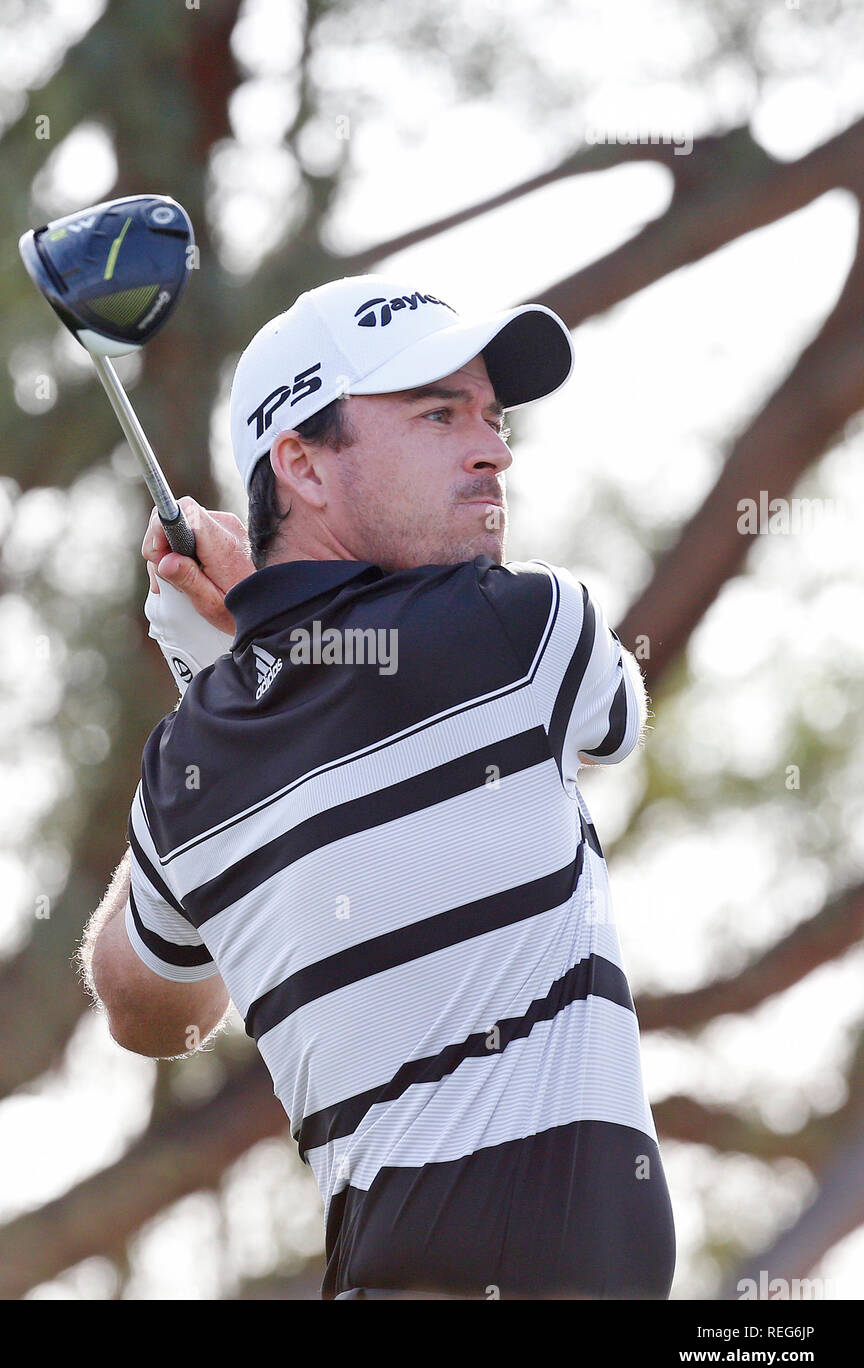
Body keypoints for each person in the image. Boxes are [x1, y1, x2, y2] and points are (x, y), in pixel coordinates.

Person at [79, 275, 676, 1300]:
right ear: (301, 464)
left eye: (490, 416)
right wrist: (253, 648)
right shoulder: (528, 631)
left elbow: (148, 1010)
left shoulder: (187, 770)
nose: (491, 448)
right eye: (437, 413)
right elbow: (610, 721)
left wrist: (221, 683)